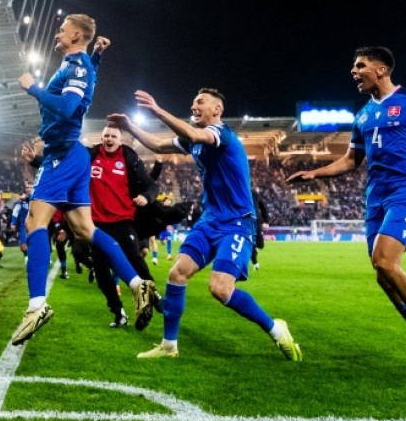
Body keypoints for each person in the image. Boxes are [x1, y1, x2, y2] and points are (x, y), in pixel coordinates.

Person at [286, 46, 406, 373]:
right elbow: (351, 161)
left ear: (381, 69)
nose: (354, 71)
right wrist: (315, 172)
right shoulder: (363, 115)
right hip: (375, 198)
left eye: (360, 65)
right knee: (382, 275)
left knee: (384, 261)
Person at [108, 88, 301, 361]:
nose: (194, 105)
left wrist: (157, 110)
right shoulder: (194, 142)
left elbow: (197, 134)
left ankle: (275, 328)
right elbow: (158, 145)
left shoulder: (221, 134)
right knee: (177, 274)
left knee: (221, 289)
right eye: (194, 101)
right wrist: (129, 126)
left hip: (236, 222)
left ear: (217, 110)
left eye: (200, 102)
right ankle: (169, 345)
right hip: (210, 220)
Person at [14, 14, 157, 346]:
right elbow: (84, 80)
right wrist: (97, 56)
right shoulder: (78, 64)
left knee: (36, 223)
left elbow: (67, 107)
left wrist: (32, 88)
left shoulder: (76, 67)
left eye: (63, 29)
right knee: (85, 230)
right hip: (70, 154)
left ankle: (36, 307)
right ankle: (139, 285)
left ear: (76, 35)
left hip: (63, 154)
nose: (57, 32)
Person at [25, 122, 159, 328]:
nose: (109, 139)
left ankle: (154, 297)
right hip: (97, 223)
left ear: (120, 141)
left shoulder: (130, 159)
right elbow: (65, 164)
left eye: (114, 136)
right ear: (101, 138)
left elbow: (150, 184)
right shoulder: (90, 156)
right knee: (101, 271)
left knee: (135, 259)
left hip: (122, 221)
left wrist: (146, 197)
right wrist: (36, 160)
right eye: (106, 136)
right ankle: (118, 312)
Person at [251, 188, 270, 270]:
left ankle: (253, 253)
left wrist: (266, 221)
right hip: (244, 221)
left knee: (261, 245)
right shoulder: (238, 192)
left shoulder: (254, 193)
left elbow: (263, 207)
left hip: (257, 221)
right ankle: (255, 262)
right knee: (250, 243)